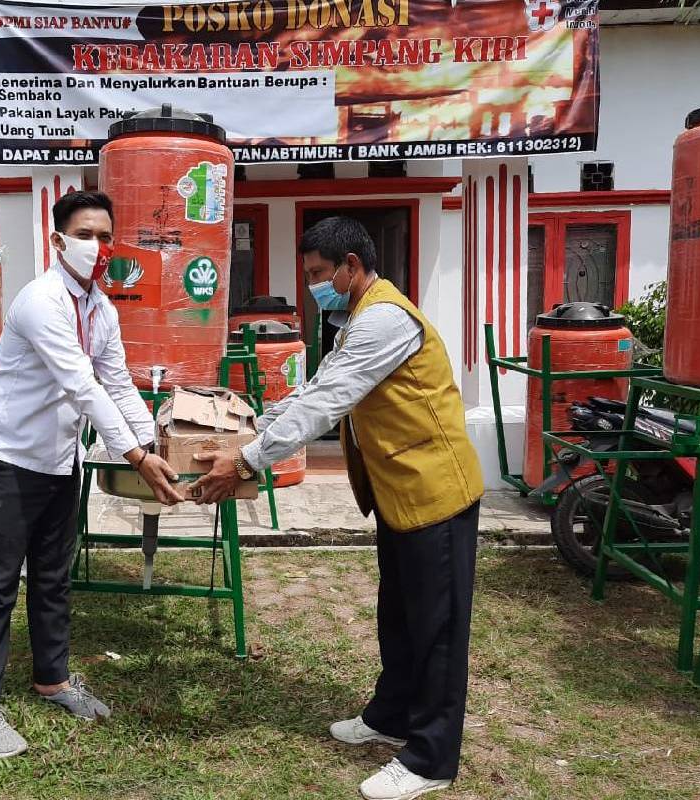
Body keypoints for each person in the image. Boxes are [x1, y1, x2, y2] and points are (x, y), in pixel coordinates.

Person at [192, 216, 484, 800]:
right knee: (399, 614)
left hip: (436, 493)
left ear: (353, 265)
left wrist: (247, 461)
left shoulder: (384, 319)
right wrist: (255, 428)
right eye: (309, 276)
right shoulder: (352, 319)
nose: (314, 285)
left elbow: (329, 402)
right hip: (399, 493)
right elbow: (312, 390)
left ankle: (431, 757)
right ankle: (391, 715)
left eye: (321, 274)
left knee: (438, 630)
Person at [0, 190, 184, 759]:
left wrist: (153, 441)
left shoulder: (101, 309)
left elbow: (118, 382)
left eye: (107, 236)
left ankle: (52, 678)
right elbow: (81, 385)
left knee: (54, 576)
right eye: (86, 235)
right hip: (9, 460)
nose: (98, 247)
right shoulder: (41, 302)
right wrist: (134, 457)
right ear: (58, 241)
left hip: (60, 462)